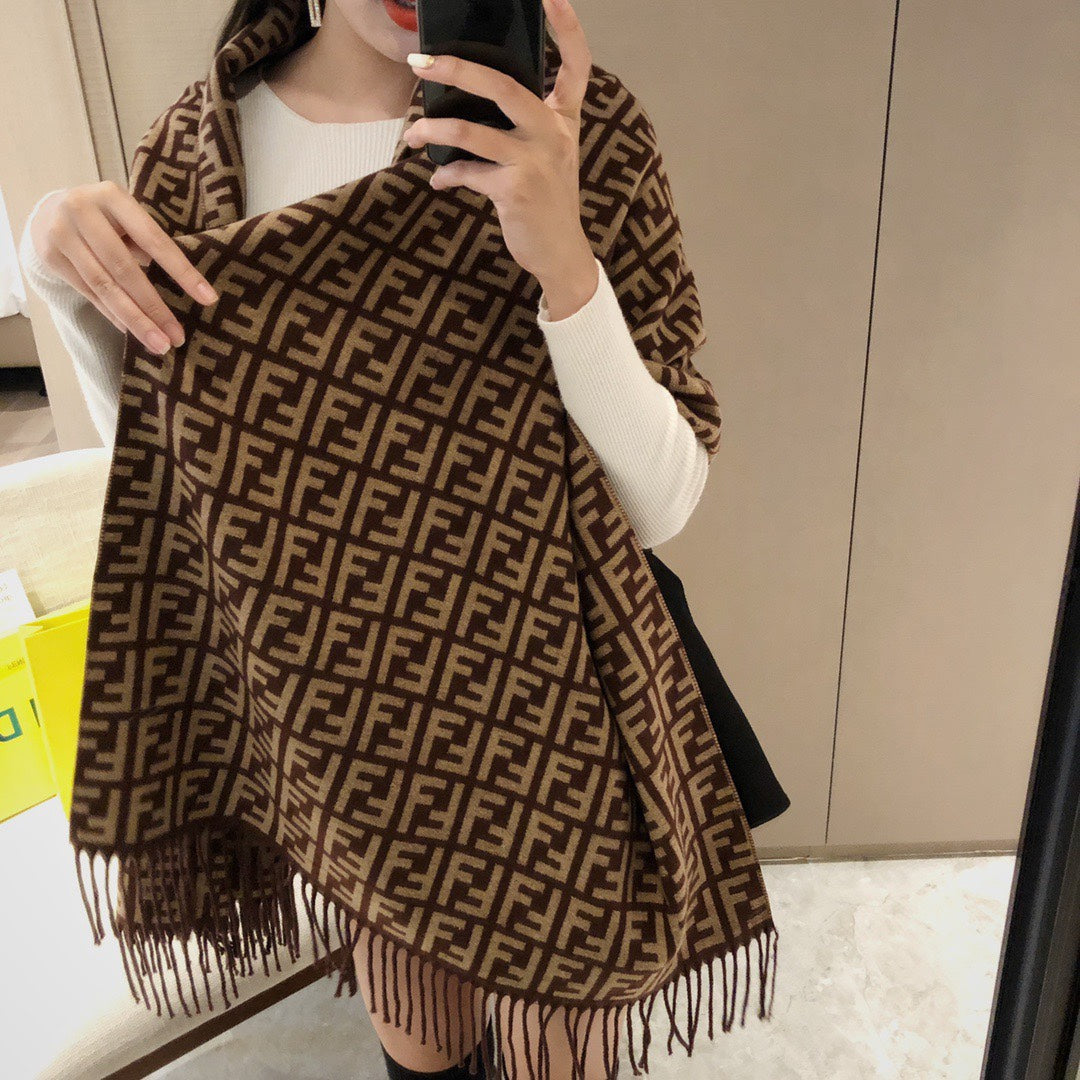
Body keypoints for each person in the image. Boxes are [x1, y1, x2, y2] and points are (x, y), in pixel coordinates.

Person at [19, 1, 716, 1076]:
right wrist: (58, 279)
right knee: (423, 1048)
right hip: (346, 733)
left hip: (555, 713)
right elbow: (189, 502)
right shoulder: (201, 151)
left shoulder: (583, 129)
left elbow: (663, 504)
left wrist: (565, 265)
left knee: (558, 1050)